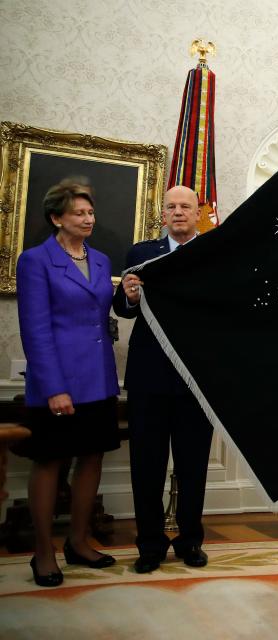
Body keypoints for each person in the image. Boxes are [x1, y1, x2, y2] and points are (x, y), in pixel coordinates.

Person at [14, 178, 120, 586]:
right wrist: (55, 387)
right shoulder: (35, 260)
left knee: (92, 457)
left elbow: (103, 312)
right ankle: (44, 552)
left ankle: (78, 542)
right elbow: (35, 329)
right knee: (50, 462)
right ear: (57, 217)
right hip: (57, 381)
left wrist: (126, 295)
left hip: (99, 378)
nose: (88, 218)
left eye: (91, 212)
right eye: (79, 213)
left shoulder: (102, 260)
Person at [113, 185, 213, 573]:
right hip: (148, 377)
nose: (178, 212)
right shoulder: (141, 253)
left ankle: (190, 541)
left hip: (196, 378)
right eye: (171, 206)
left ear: (197, 212)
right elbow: (122, 309)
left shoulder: (213, 253)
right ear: (163, 214)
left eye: (185, 206)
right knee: (146, 465)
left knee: (193, 465)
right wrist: (131, 298)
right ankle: (150, 546)